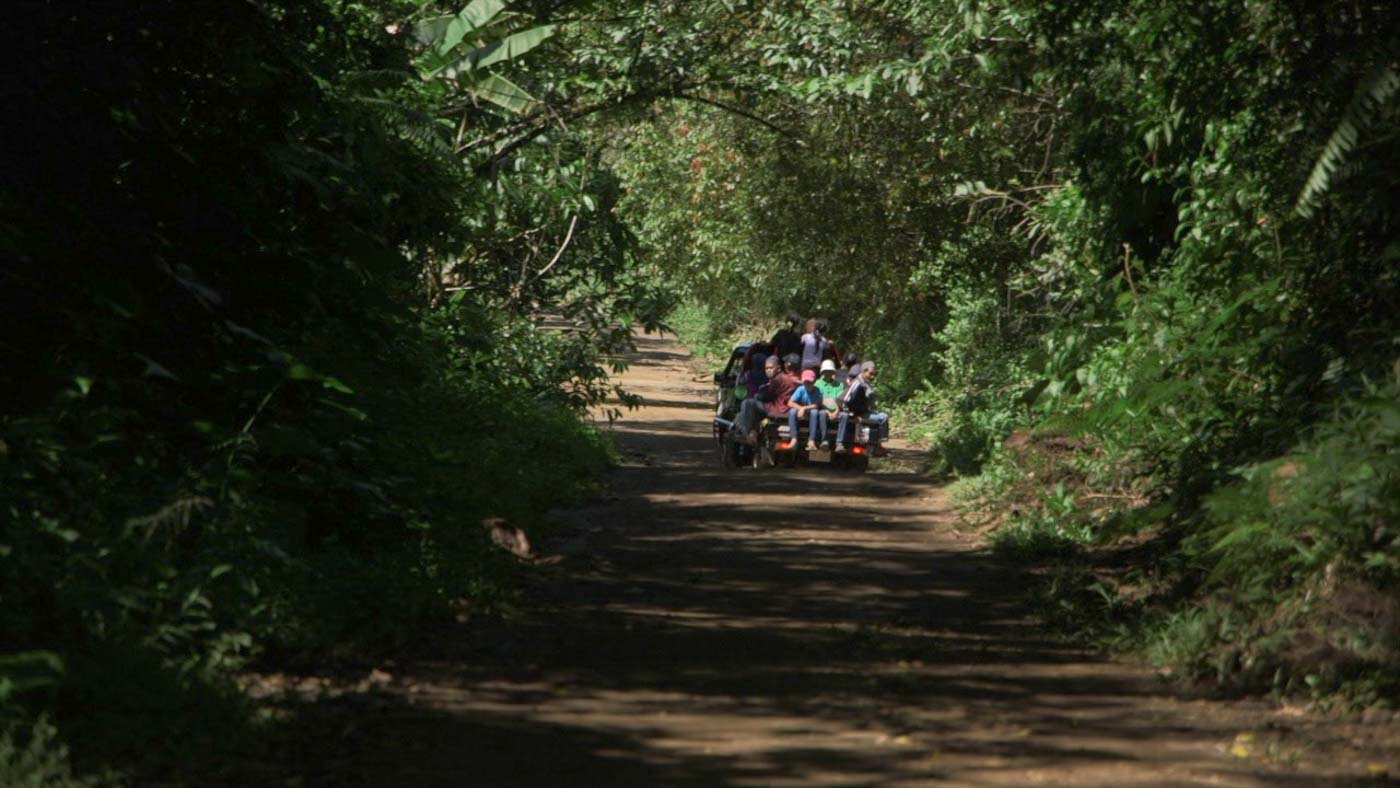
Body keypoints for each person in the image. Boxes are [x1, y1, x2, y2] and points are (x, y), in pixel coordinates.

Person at [732, 354, 796, 445]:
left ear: (778, 368)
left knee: (747, 403)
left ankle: (747, 434)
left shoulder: (778, 379)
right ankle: (755, 431)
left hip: (776, 409)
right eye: (766, 368)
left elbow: (768, 396)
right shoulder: (784, 378)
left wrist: (757, 396)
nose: (768, 371)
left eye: (771, 368)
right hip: (783, 408)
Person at [835, 361, 889, 452]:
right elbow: (843, 399)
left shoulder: (865, 383)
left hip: (864, 411)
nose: (872, 376)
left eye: (874, 374)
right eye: (870, 373)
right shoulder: (857, 383)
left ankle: (876, 444)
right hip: (857, 413)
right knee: (883, 417)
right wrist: (853, 415)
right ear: (864, 371)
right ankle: (878, 445)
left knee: (882, 416)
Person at [786, 369, 828, 450]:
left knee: (814, 412)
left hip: (811, 411)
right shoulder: (801, 389)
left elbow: (817, 405)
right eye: (806, 382)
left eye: (810, 382)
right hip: (801, 411)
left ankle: (811, 440)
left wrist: (804, 408)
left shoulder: (818, 390)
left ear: (814, 381)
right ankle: (794, 438)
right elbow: (790, 403)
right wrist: (801, 408)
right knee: (792, 411)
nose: (808, 384)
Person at [814, 359, 845, 448]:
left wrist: (836, 411)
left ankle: (839, 442)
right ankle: (824, 440)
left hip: (836, 409)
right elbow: (819, 400)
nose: (828, 373)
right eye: (826, 371)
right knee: (822, 413)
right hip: (823, 409)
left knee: (844, 416)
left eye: (830, 371)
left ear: (833, 372)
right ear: (822, 372)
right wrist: (827, 411)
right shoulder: (817, 383)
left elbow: (839, 400)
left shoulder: (839, 385)